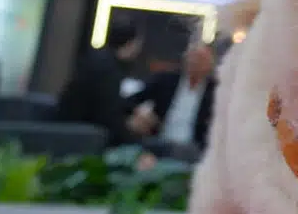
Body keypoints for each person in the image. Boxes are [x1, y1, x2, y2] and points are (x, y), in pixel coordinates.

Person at [55, 19, 148, 147]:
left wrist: (132, 109)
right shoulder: (108, 71)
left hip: (70, 127)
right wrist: (134, 144)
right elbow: (108, 115)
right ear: (130, 44)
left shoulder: (99, 59)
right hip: (78, 134)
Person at [125, 39, 217, 160]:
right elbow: (129, 101)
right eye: (192, 57)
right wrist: (140, 113)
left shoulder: (216, 91)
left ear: (210, 64)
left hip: (193, 148)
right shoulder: (166, 80)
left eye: (201, 59)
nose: (194, 62)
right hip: (159, 141)